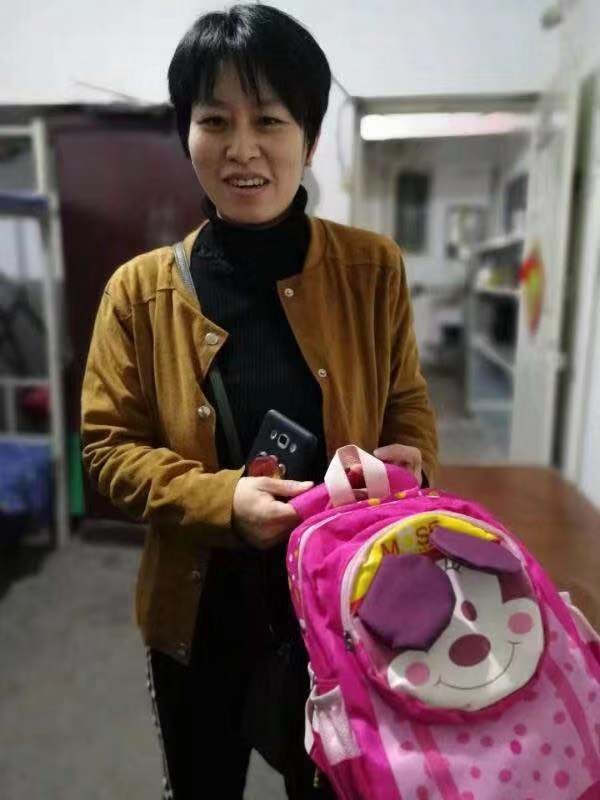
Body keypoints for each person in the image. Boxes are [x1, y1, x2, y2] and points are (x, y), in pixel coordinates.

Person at [80, 4, 438, 798]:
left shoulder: (372, 269)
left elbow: (407, 401)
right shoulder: (138, 292)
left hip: (350, 610)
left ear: (308, 138)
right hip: (198, 617)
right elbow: (106, 451)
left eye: (269, 120)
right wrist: (222, 501)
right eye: (215, 121)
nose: (242, 148)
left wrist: (409, 461)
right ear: (186, 133)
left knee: (345, 786)